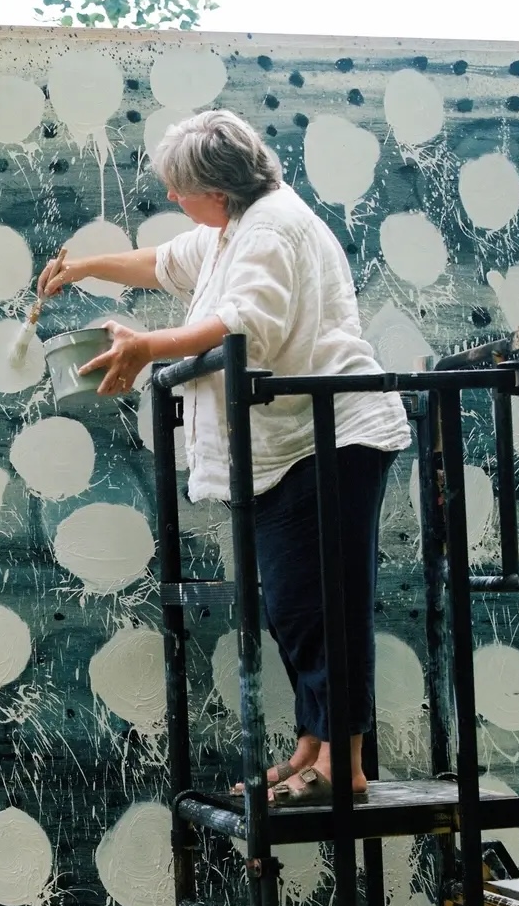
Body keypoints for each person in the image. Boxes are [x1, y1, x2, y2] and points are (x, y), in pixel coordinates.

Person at [36, 109, 411, 808]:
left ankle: (343, 766)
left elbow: (248, 326)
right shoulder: (231, 229)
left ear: (218, 186)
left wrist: (149, 346)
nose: (175, 201)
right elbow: (161, 263)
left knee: (321, 605)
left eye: (182, 189)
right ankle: (314, 746)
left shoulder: (269, 231)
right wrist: (83, 267)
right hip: (293, 442)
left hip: (328, 438)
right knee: (298, 607)